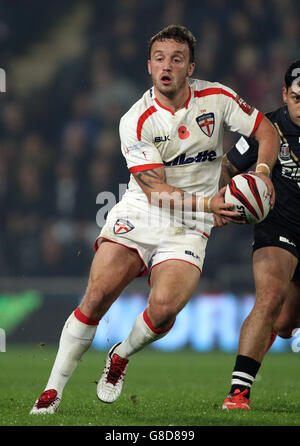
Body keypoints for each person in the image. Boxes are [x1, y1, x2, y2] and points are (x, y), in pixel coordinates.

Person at [30, 24, 279, 414]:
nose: (167, 66)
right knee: (96, 297)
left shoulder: (217, 97)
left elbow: (266, 129)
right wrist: (210, 206)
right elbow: (156, 192)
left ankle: (121, 356)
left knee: (164, 308)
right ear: (149, 66)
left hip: (190, 225)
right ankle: (51, 391)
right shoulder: (136, 119)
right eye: (160, 58)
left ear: (190, 67)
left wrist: (262, 171)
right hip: (143, 211)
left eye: (177, 59)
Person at [219, 60, 300, 410]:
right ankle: (238, 393)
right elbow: (227, 166)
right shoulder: (267, 127)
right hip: (278, 225)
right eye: (298, 97)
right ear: (285, 94)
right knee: (269, 297)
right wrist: (219, 201)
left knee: (285, 323)